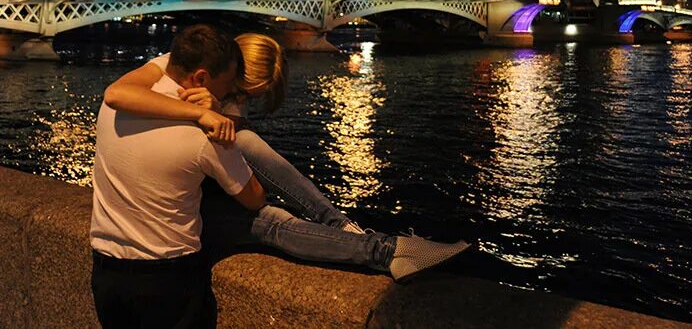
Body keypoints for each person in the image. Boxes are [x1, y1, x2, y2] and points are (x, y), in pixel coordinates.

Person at [100, 26, 470, 286]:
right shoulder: (181, 90)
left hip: (162, 222)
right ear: (212, 75)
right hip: (177, 231)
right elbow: (116, 94)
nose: (241, 102)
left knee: (261, 186)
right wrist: (204, 114)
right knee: (269, 215)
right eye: (240, 91)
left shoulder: (192, 84)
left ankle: (363, 238)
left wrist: (209, 112)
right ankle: (377, 245)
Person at [90, 24, 266, 327]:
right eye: (226, 86)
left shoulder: (113, 109)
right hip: (169, 281)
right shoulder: (207, 134)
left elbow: (121, 90)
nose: (226, 96)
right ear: (200, 79)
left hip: (108, 274)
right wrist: (222, 126)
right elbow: (253, 197)